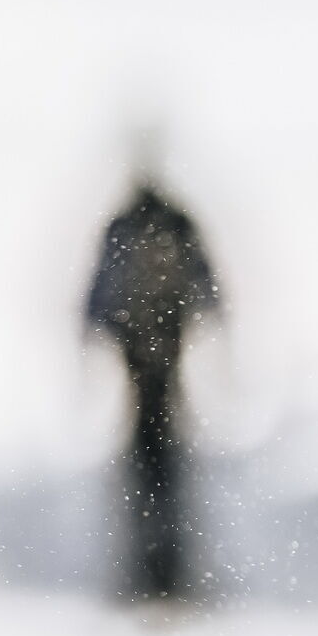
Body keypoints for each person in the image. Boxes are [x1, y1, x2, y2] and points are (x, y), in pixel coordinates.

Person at [87, 170, 221, 604]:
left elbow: (98, 297)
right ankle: (163, 573)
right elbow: (208, 289)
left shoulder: (129, 226)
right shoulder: (171, 225)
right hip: (158, 366)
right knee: (162, 470)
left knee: (149, 470)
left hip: (147, 368)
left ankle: (152, 572)